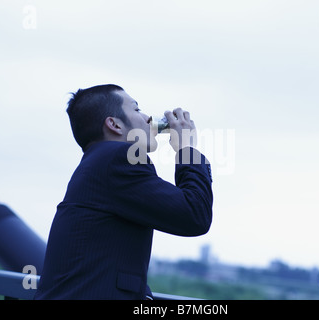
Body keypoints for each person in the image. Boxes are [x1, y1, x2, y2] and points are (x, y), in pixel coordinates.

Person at [34, 84, 213, 300]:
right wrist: (186, 149)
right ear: (114, 124)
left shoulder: (96, 163)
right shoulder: (120, 158)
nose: (148, 118)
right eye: (137, 109)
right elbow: (195, 214)